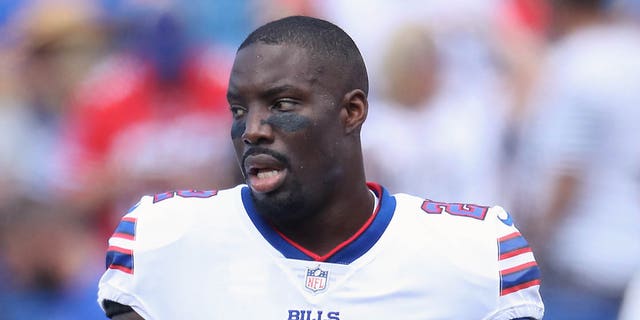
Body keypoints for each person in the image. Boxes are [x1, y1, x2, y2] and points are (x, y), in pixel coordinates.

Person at [96, 15, 544, 319]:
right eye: (237, 110)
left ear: (351, 112)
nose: (252, 130)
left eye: (282, 103)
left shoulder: (476, 257)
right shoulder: (164, 239)